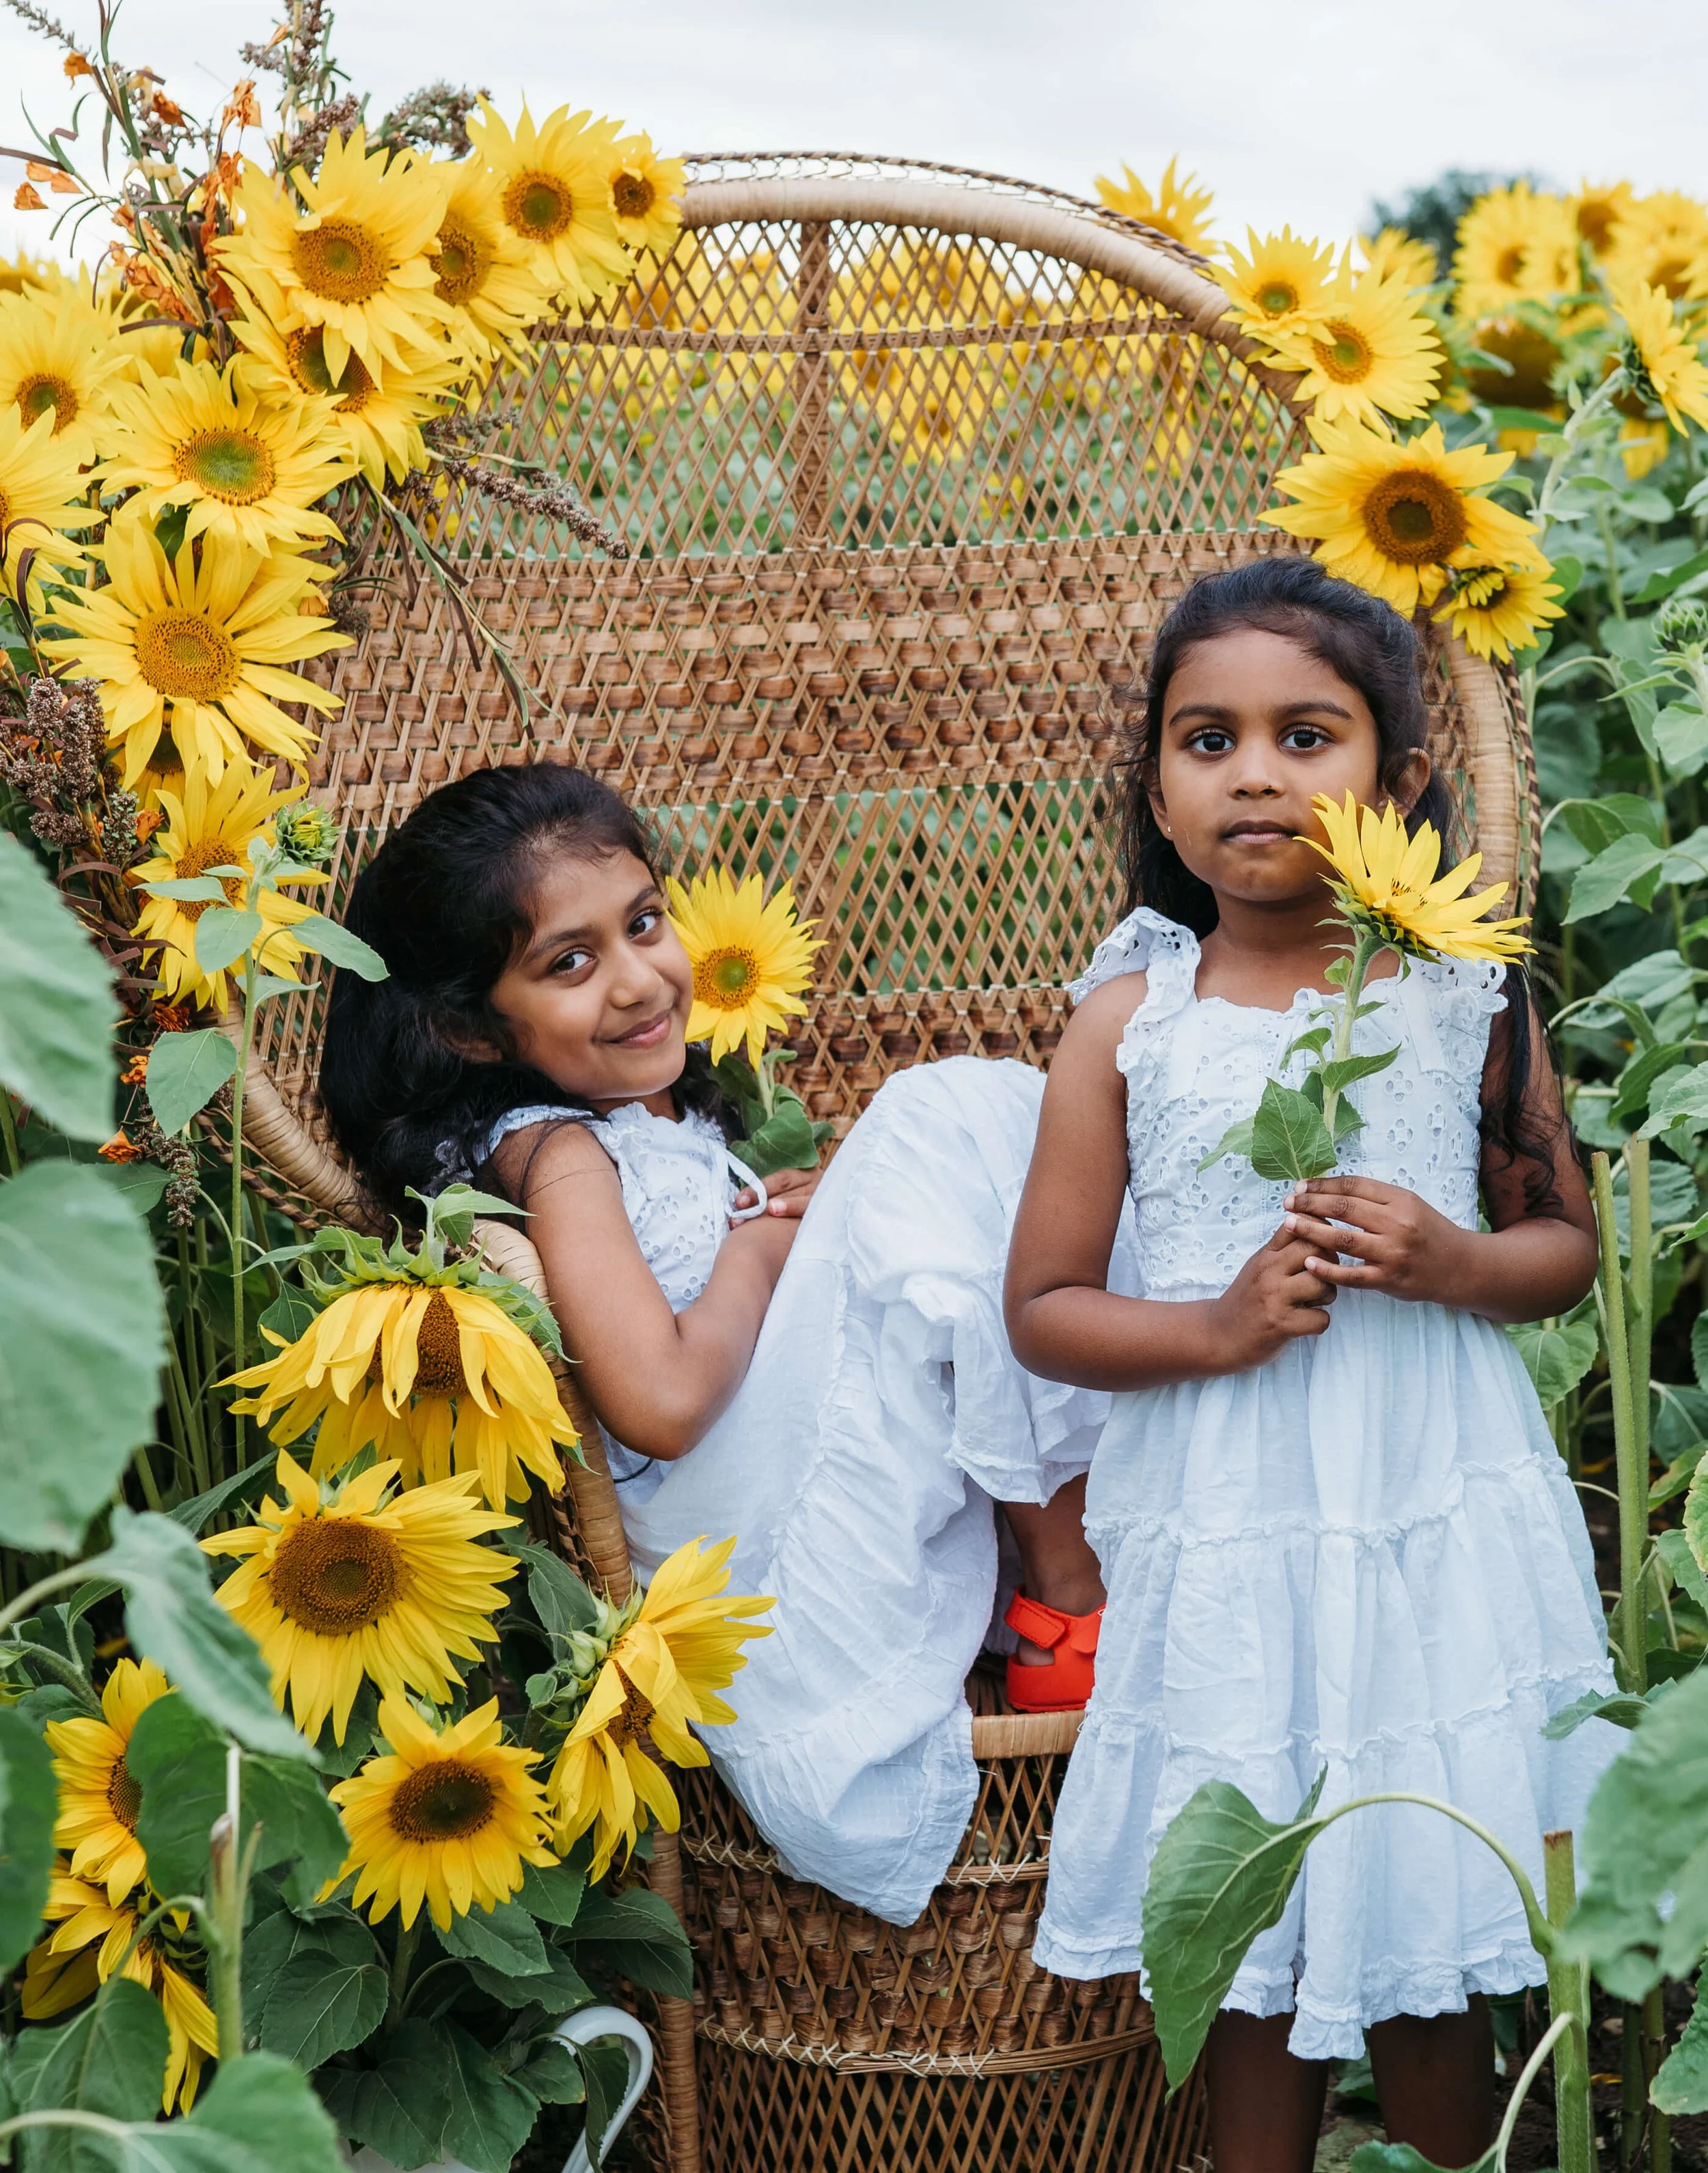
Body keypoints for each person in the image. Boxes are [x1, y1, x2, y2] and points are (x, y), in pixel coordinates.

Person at [1003, 556, 1617, 2172]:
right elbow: (1047, 1305)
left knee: (1428, 1872)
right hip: (1233, 1513)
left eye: (1307, 736)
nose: (1255, 774)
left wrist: (1454, 1261)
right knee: (1247, 1874)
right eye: (1206, 740)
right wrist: (1212, 1325)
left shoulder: (1462, 992)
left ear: (1398, 779)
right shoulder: (1129, 1020)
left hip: (1428, 1499)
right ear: (1153, 777)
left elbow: (1559, 1249)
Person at [318, 761, 1126, 1926]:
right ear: (470, 1030)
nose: (642, 979)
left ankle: (1087, 1567)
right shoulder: (553, 1154)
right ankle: (1072, 1590)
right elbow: (661, 1400)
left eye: (644, 923)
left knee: (965, 1139)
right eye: (570, 962)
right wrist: (760, 1257)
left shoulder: (643, 1118)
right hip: (740, 1584)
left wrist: (790, 1226)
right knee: (938, 1113)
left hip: (773, 1497)